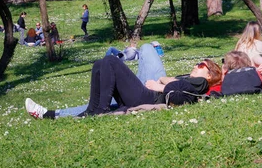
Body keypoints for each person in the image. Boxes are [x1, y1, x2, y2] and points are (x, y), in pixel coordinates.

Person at [26, 47, 222, 119]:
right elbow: (174, 85)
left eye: (201, 64)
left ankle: (100, 110)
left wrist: (160, 86)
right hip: (147, 93)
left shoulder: (201, 84)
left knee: (111, 61)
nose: (196, 65)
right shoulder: (192, 80)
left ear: (209, 73)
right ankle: (91, 110)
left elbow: (178, 96)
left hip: (149, 97)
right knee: (99, 64)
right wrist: (167, 81)